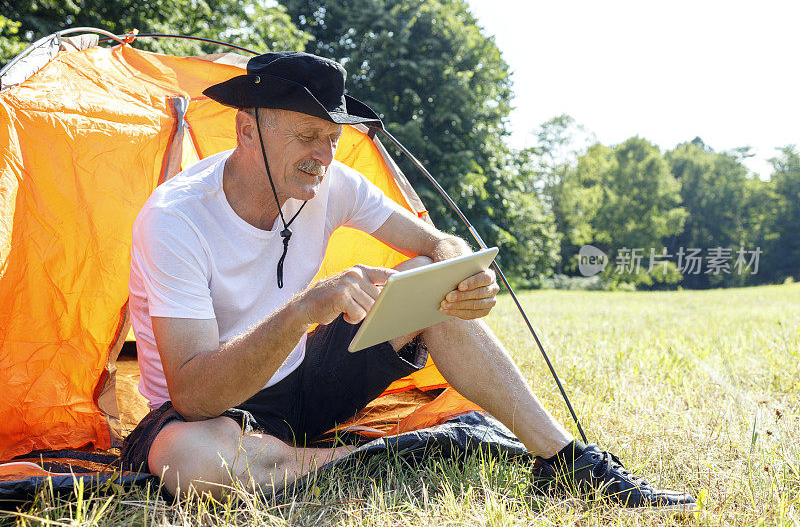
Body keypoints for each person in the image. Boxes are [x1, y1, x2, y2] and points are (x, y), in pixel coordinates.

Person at [121, 51, 695, 510]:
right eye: (305, 136)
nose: (322, 157)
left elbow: (438, 243)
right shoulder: (175, 221)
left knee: (427, 279)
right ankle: (412, 453)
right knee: (188, 460)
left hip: (311, 383)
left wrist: (467, 276)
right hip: (213, 411)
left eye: (332, 137)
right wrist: (303, 309)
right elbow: (193, 394)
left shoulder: (332, 182)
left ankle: (567, 460)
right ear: (247, 129)